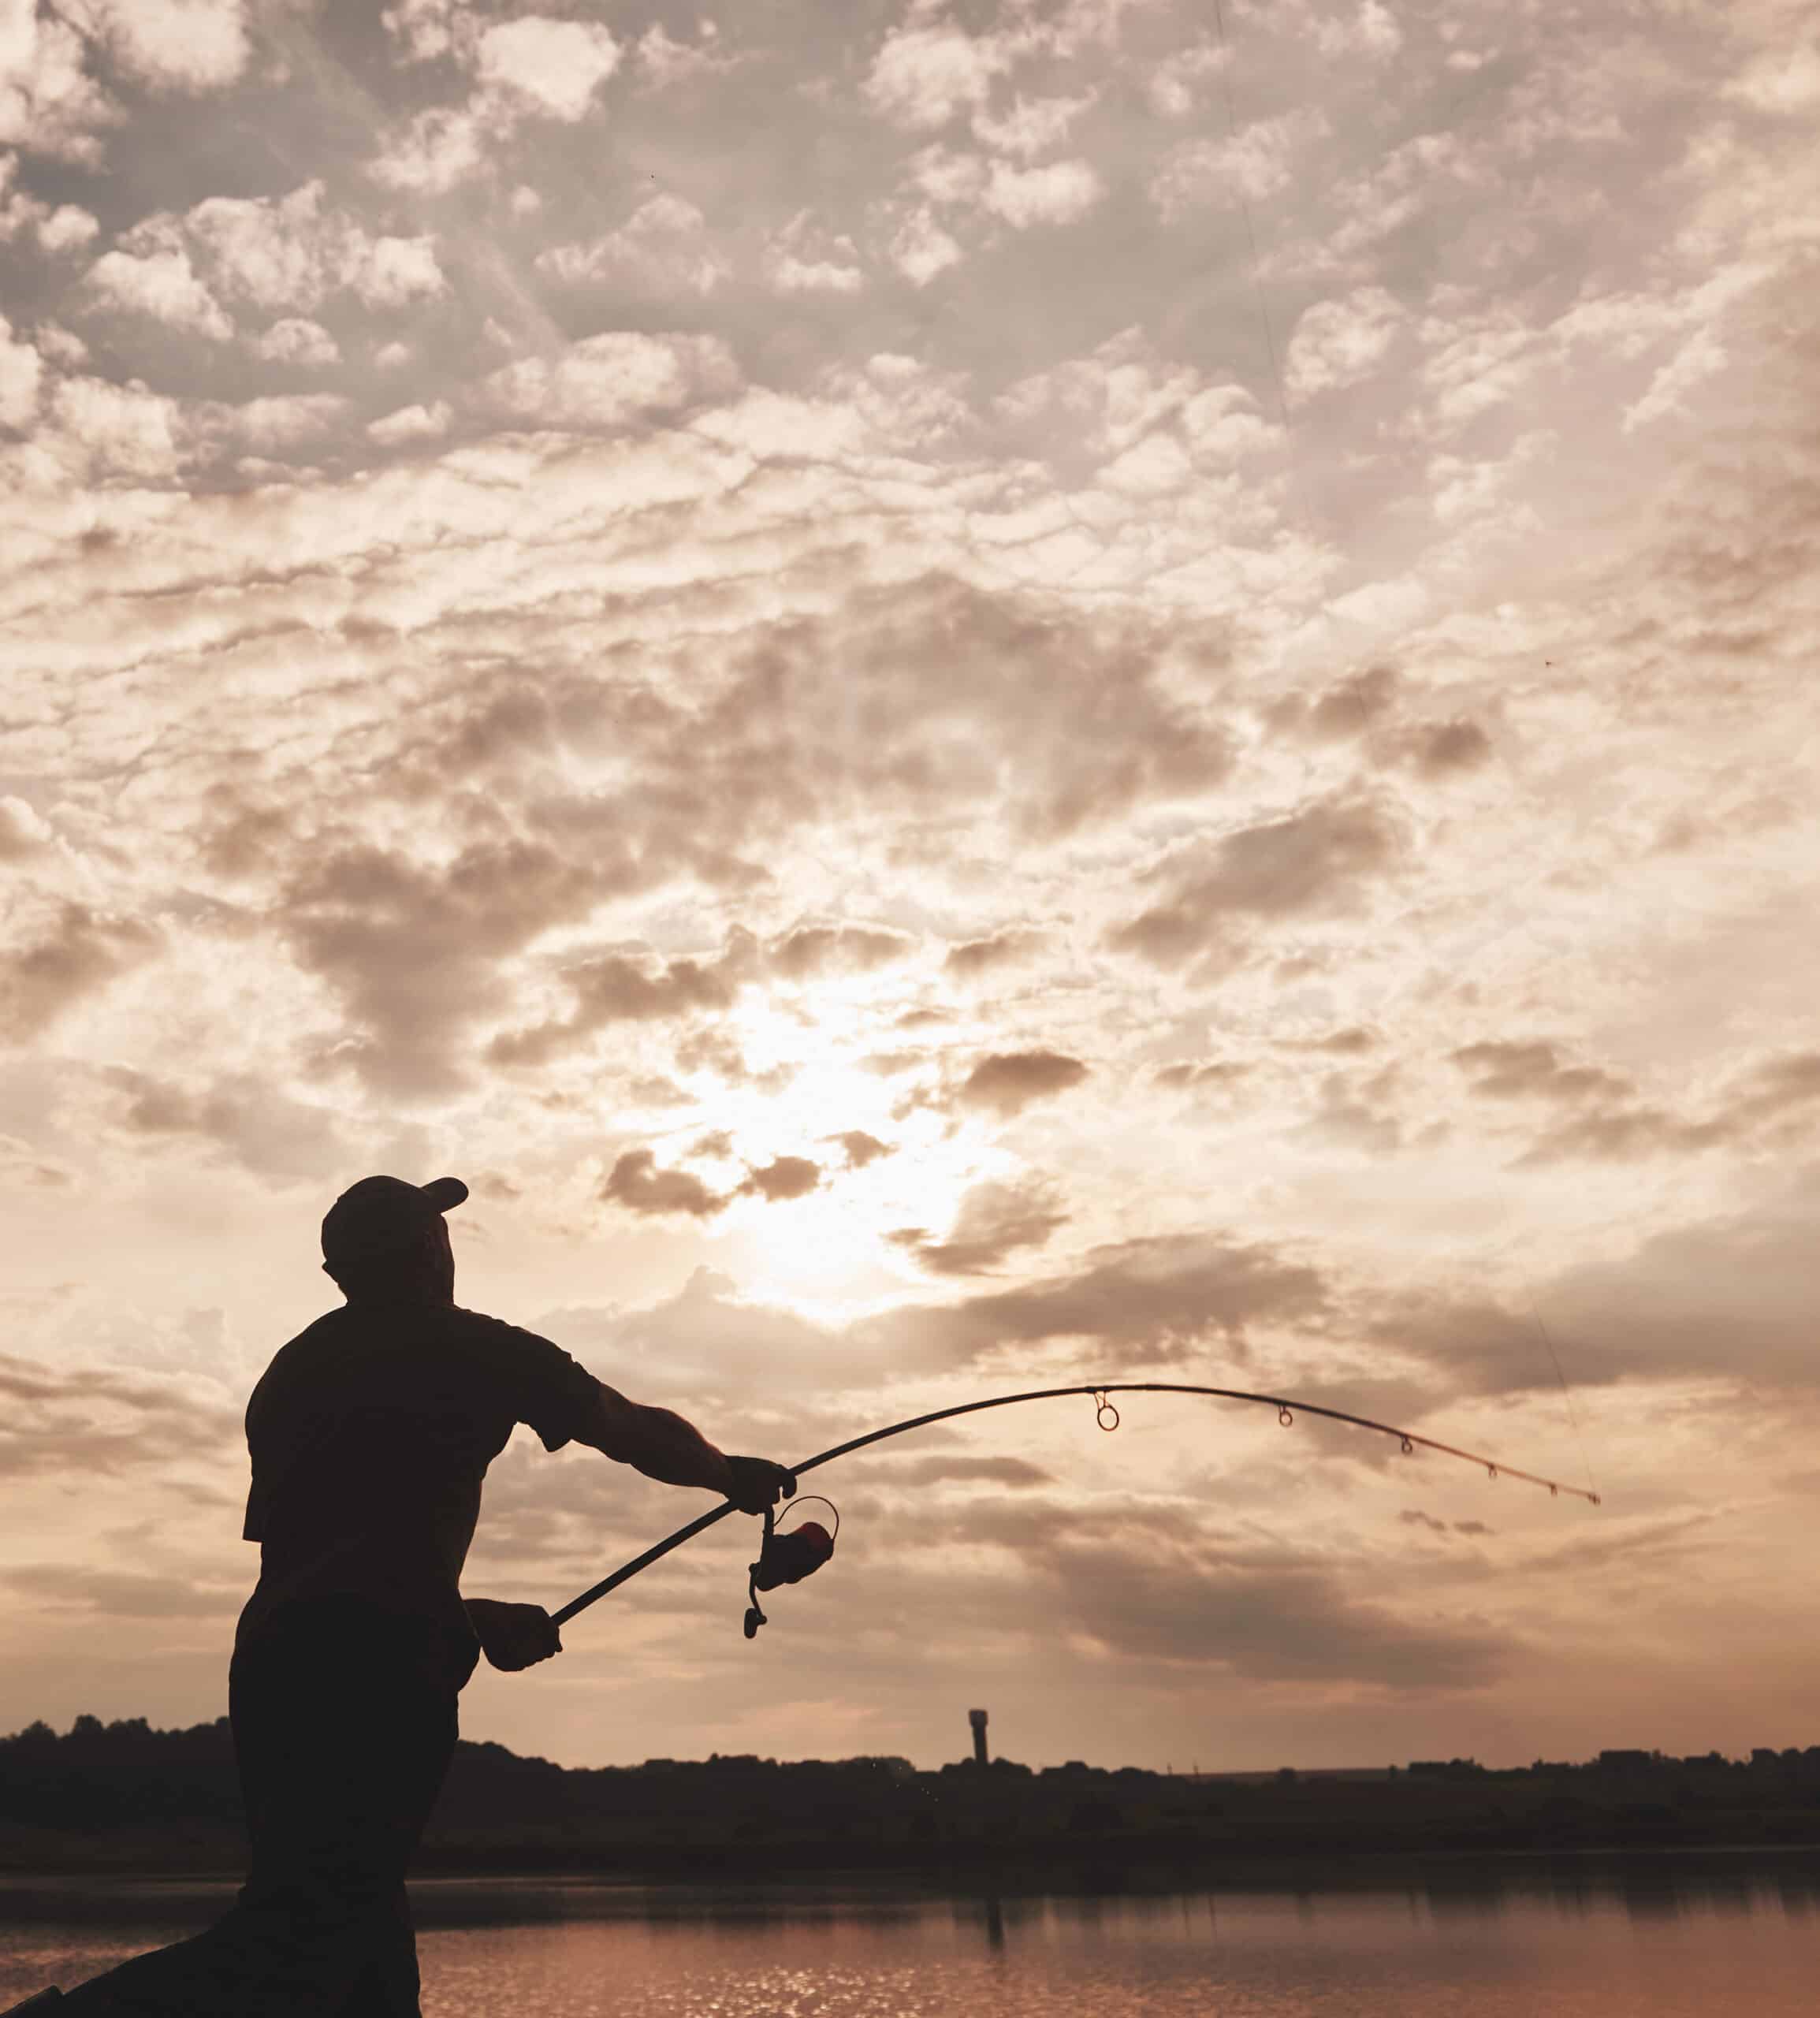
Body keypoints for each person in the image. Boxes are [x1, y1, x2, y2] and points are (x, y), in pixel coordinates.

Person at [34, 1175, 796, 2017]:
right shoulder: (477, 1347)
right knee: (301, 1929)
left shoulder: (291, 1373)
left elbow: (331, 1555)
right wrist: (730, 1477)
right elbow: (625, 1427)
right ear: (433, 1250)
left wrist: (462, 1618)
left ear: (339, 1275)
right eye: (439, 1230)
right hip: (383, 1669)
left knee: (362, 1938)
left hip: (275, 1666)